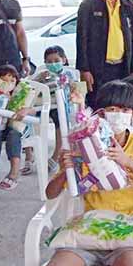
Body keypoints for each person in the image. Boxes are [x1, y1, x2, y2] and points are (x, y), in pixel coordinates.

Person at [40, 82, 133, 266]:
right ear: (100, 115)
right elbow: (50, 193)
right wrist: (65, 171)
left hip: (127, 233)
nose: (118, 115)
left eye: (125, 110)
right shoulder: (83, 144)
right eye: (112, 109)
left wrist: (128, 163)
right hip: (89, 232)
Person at [76, 0, 133, 103]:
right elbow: (81, 38)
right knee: (98, 105)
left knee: (122, 105)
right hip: (98, 68)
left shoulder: (129, 6)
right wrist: (84, 69)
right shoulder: (89, 4)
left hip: (123, 68)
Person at [31, 45, 78, 173]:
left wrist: (71, 88)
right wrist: (40, 79)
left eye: (56, 60)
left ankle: (56, 155)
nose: (53, 64)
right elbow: (32, 87)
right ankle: (30, 156)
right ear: (45, 63)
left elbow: (77, 90)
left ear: (64, 60)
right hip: (44, 105)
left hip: (62, 106)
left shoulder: (69, 74)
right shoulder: (43, 75)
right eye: (49, 62)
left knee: (61, 122)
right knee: (28, 121)